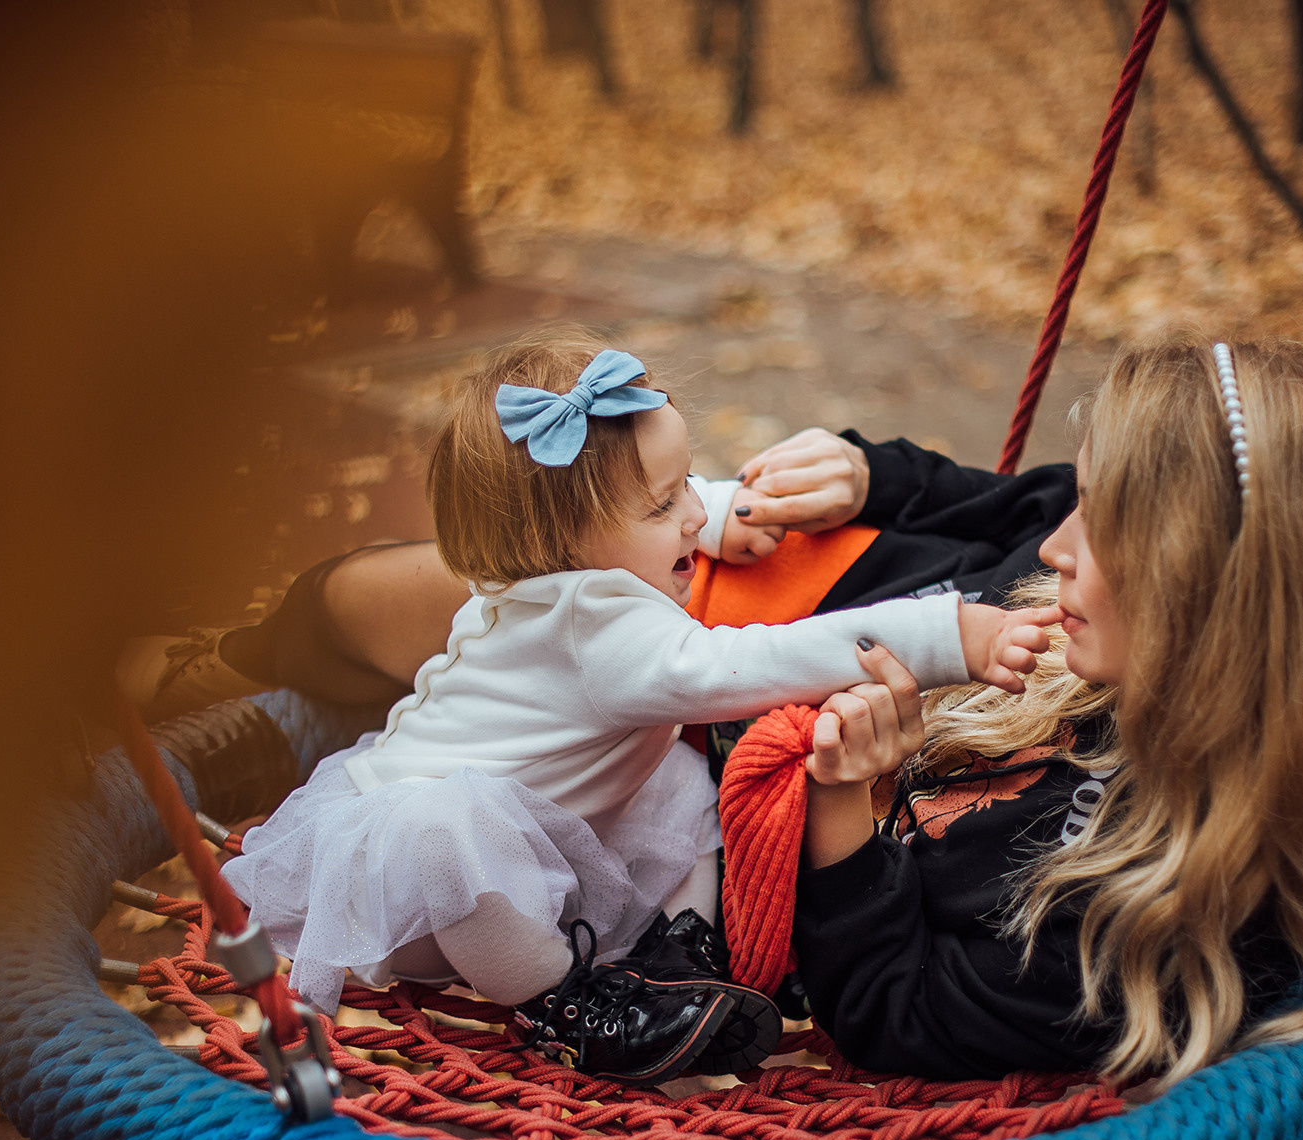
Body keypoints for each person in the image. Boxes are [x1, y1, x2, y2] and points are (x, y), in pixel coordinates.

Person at [219, 330, 1056, 1086]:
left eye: (688, 483)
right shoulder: (602, 631)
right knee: (450, 836)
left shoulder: (552, 569)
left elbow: (647, 503)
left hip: (540, 836)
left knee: (680, 781)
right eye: (666, 508)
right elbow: (762, 659)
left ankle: (678, 959)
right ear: (570, 540)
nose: (690, 510)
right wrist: (945, 635)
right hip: (426, 892)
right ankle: (569, 1004)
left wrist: (719, 514)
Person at [790, 336, 1303, 1089]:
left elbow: (895, 1012)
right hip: (770, 579)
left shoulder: (1138, 918)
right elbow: (1026, 502)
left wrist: (839, 801)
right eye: (1084, 501)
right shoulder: (1097, 618)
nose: (1054, 546)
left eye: (1106, 521)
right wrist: (877, 476)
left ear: (1214, 589)